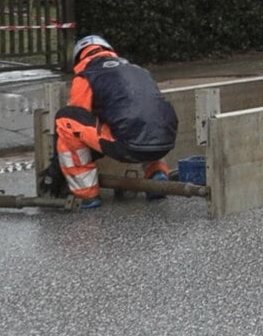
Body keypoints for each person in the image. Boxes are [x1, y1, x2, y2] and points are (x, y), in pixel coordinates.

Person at [43, 35, 178, 209]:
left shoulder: (86, 76)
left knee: (65, 119)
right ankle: (156, 173)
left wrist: (54, 171)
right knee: (143, 120)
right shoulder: (138, 70)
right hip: (164, 142)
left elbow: (78, 117)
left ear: (80, 57)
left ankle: (86, 194)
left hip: (129, 145)